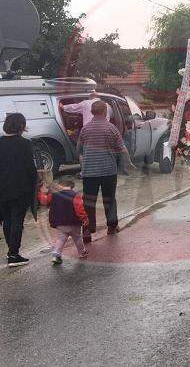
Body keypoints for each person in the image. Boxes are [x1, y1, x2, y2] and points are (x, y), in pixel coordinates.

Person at [76, 100, 133, 242]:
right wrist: (127, 164)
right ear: (104, 112)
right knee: (109, 199)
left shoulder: (85, 129)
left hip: (89, 172)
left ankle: (87, 231)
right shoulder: (111, 129)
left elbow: (79, 150)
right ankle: (112, 227)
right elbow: (122, 149)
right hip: (108, 171)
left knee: (89, 201)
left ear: (92, 112)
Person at [0, 112, 38, 267]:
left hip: (1, 189)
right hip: (20, 188)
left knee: (7, 220)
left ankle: (11, 251)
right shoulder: (25, 144)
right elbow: (30, 168)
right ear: (21, 126)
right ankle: (13, 255)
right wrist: (35, 183)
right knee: (17, 221)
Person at [48, 179, 89, 264]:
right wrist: (84, 218)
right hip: (74, 222)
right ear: (72, 187)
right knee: (77, 238)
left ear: (60, 185)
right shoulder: (75, 195)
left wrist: (42, 192)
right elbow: (79, 209)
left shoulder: (54, 195)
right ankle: (82, 252)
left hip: (60, 223)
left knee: (61, 239)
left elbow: (45, 201)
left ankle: (56, 255)